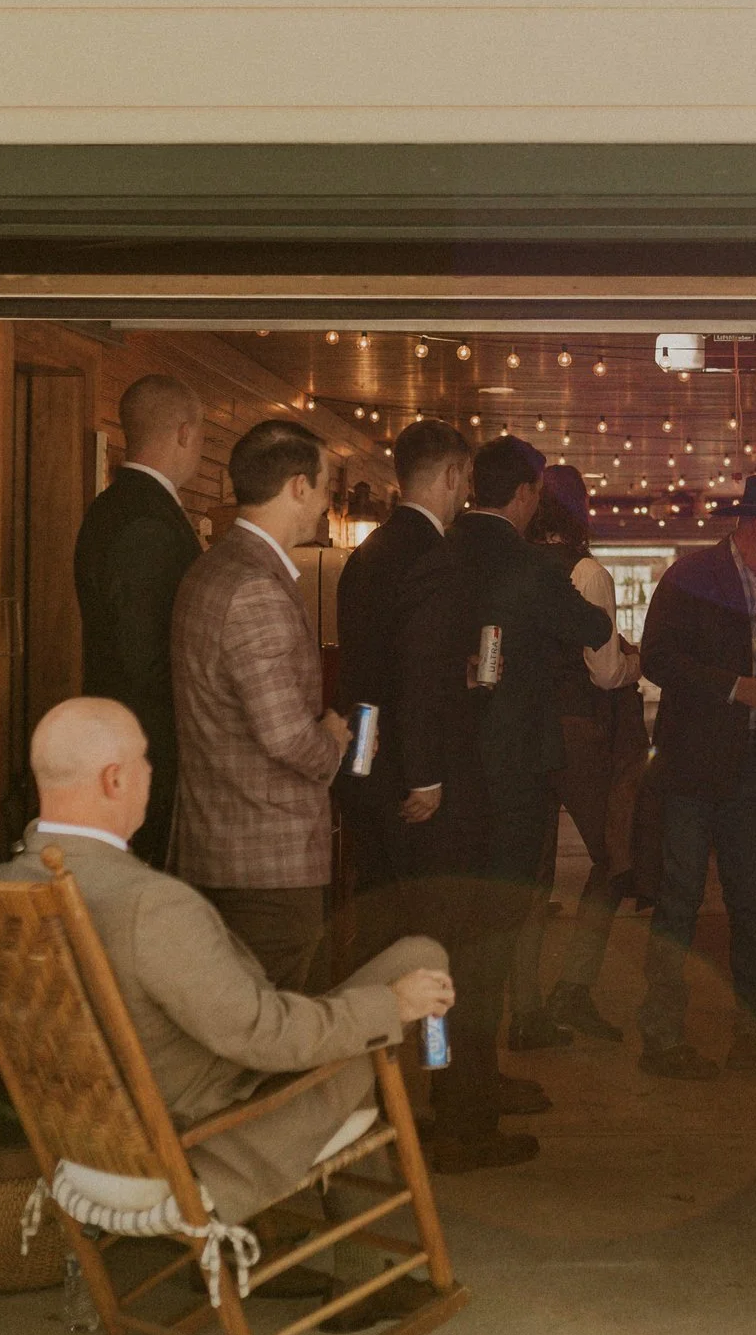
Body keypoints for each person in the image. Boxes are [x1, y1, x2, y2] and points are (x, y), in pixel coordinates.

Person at [0, 697, 453, 1332]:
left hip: (91, 1146)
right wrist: (390, 1006)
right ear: (115, 780)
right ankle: (364, 1269)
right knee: (415, 963)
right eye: (147, 760)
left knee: (351, 1017)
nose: (152, 774)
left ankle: (353, 1269)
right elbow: (263, 1036)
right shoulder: (147, 906)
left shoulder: (2, 888)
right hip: (214, 1137)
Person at [397, 437, 612, 1170]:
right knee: (493, 944)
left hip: (443, 782)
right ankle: (466, 1116)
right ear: (525, 494)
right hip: (512, 779)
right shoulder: (526, 566)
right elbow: (594, 630)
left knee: (450, 943)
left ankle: (457, 1087)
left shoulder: (440, 551)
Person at [634, 472, 756, 1080]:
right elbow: (657, 658)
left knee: (750, 902)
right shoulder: (691, 577)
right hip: (690, 767)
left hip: (751, 769)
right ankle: (661, 1038)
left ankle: (754, 1032)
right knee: (679, 902)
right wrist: (735, 687)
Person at [171, 419, 354, 992]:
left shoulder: (211, 568)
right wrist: (333, 741)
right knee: (280, 1040)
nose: (327, 505)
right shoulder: (255, 587)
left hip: (215, 846)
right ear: (298, 487)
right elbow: (284, 738)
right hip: (266, 863)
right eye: (325, 488)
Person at [333, 418, 473, 953]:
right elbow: (415, 670)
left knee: (377, 908)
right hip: (412, 768)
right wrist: (424, 777)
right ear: (453, 475)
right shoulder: (435, 556)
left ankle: (375, 1030)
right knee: (427, 924)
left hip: (364, 752)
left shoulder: (367, 553)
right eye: (464, 481)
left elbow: (371, 666)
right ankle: (429, 1037)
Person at [521, 464, 648, 1046]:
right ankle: (573, 990)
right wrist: (635, 663)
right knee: (615, 860)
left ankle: (525, 1014)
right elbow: (603, 674)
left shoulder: (515, 565)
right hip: (579, 731)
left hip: (522, 731)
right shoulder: (587, 573)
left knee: (531, 878)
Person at [72, 374, 206, 868]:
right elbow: (142, 655)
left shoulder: (110, 506)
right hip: (144, 749)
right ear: (185, 432)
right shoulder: (146, 520)